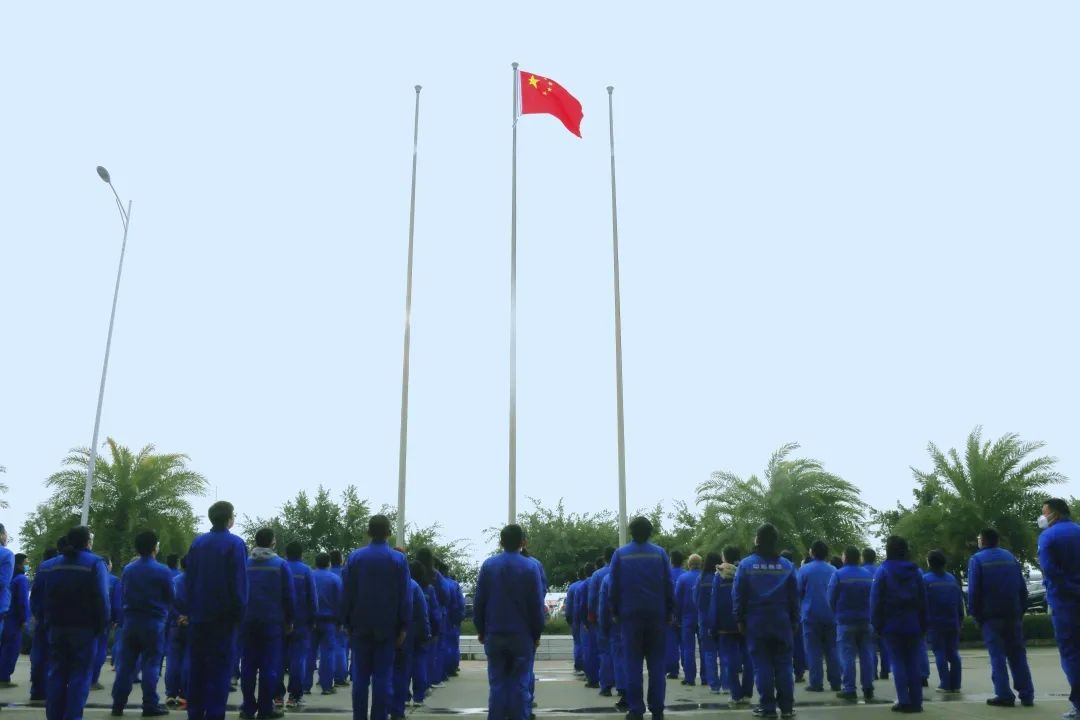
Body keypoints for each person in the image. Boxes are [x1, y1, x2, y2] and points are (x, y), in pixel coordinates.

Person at [341, 515, 411, 720]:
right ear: (389, 532)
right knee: (383, 678)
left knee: (360, 678)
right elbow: (405, 596)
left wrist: (345, 621)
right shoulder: (398, 560)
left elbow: (346, 593)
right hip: (388, 627)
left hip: (359, 626)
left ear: (368, 532)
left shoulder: (355, 557)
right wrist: (404, 626)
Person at [184, 500, 249, 720]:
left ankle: (194, 713)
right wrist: (240, 615)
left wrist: (188, 610)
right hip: (224, 619)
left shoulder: (198, 543)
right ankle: (214, 714)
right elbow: (239, 583)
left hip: (198, 616)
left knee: (197, 670)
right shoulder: (235, 544)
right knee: (219, 671)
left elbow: (189, 580)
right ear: (229, 519)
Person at [39, 526, 112, 720]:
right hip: (84, 629)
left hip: (57, 627)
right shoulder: (95, 563)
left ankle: (54, 715)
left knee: (56, 674)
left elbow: (47, 596)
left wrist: (48, 623)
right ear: (88, 542)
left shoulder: (54, 564)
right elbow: (102, 598)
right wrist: (102, 625)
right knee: (80, 675)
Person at [474, 524, 545, 720]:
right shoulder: (531, 567)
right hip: (522, 636)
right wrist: (537, 633)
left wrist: (481, 629)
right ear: (523, 542)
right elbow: (536, 604)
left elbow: (480, 601)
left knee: (497, 683)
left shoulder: (488, 565)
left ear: (500, 542)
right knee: (520, 684)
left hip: (494, 633)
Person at [609, 516, 674, 720]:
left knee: (632, 664)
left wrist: (615, 612)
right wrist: (670, 611)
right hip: (656, 615)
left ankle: (636, 710)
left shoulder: (620, 554)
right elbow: (669, 585)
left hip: (630, 616)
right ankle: (657, 709)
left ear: (631, 532)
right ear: (650, 532)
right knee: (657, 665)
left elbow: (613, 587)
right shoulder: (660, 554)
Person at [733, 523, 798, 720]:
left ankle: (767, 708)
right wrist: (795, 620)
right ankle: (787, 708)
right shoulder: (787, 566)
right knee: (784, 665)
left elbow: (738, 595)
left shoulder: (746, 565)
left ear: (757, 540)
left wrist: (739, 618)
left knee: (762, 665)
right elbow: (794, 597)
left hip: (756, 621)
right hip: (782, 621)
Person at [967, 527, 1034, 707]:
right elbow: (1022, 588)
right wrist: (1020, 611)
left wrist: (976, 616)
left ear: (983, 540)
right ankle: (1027, 694)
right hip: (1013, 614)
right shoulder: (1010, 557)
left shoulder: (977, 560)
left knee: (997, 656)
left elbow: (973, 592)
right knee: (1018, 655)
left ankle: (1004, 694)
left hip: (990, 617)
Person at [110, 530, 174, 717]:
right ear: (155, 547)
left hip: (131, 621)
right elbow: (171, 597)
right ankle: (149, 704)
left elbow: (124, 593)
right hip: (154, 622)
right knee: (151, 664)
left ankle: (118, 704)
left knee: (126, 665)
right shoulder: (163, 570)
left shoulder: (129, 569)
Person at [239, 528, 294, 720]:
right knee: (269, 667)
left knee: (248, 666)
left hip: (247, 622)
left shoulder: (245, 564)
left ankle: (247, 708)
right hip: (272, 623)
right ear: (273, 543)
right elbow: (289, 596)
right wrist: (289, 620)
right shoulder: (280, 565)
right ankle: (265, 709)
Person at [870, 535, 927, 714]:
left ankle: (903, 700)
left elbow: (875, 600)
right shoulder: (916, 571)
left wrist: (876, 624)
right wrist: (924, 623)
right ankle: (916, 701)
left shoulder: (883, 571)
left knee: (897, 662)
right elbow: (924, 599)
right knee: (913, 662)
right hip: (913, 622)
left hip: (891, 624)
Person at [1037, 498, 1080, 719]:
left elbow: (1050, 570)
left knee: (1071, 654)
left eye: (1044, 512)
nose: (1042, 517)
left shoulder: (1048, 536)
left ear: (1055, 513)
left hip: (1065, 603)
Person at [827, 546, 875, 702]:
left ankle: (849, 689)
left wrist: (836, 614)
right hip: (865, 620)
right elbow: (873, 597)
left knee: (847, 656)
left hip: (845, 621)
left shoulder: (838, 574)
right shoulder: (867, 575)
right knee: (866, 655)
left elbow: (831, 598)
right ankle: (868, 688)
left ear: (845, 557)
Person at [710, 546, 753, 708]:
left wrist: (713, 625)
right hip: (745, 622)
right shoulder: (745, 572)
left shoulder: (719, 576)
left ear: (724, 557)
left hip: (725, 624)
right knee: (748, 658)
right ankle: (747, 693)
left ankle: (735, 694)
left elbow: (714, 602)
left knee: (729, 660)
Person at [797, 540, 839, 693]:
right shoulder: (833, 569)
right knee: (832, 649)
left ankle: (816, 683)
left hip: (810, 615)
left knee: (813, 650)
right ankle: (836, 682)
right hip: (831, 615)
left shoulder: (805, 570)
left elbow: (798, 591)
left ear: (812, 552)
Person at [391, 562, 431, 720]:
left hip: (391, 630)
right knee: (415, 663)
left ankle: (403, 698)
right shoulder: (413, 585)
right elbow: (422, 612)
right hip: (412, 629)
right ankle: (418, 696)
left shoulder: (385, 582)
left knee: (395, 669)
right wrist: (426, 632)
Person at [923, 549, 963, 694]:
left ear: (929, 563)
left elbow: (922, 603)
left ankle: (945, 684)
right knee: (953, 652)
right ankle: (956, 684)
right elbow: (959, 602)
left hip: (934, 622)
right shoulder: (951, 579)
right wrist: (960, 620)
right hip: (952, 621)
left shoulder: (925, 580)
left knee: (940, 652)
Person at [283, 541, 317, 708]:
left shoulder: (280, 567)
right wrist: (313, 618)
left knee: (278, 659)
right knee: (298, 659)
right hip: (302, 621)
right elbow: (312, 597)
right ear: (301, 554)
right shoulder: (305, 570)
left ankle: (277, 696)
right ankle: (294, 696)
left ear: (286, 553)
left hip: (280, 621)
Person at [29, 544, 61, 706]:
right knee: (54, 656)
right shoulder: (61, 566)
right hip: (57, 619)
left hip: (42, 617)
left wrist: (35, 613)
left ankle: (36, 690)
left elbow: (34, 594)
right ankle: (50, 691)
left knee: (38, 655)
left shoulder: (42, 568)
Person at [310, 552, 343, 696]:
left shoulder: (310, 576)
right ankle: (327, 686)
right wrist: (340, 621)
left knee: (309, 653)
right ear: (329, 563)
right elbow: (339, 602)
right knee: (328, 653)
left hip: (312, 621)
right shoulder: (335, 579)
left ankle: (305, 685)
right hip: (329, 621)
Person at [588, 548, 615, 695]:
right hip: (621, 618)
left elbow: (592, 598)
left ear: (605, 558)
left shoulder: (597, 575)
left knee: (605, 652)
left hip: (602, 617)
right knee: (621, 652)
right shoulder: (624, 573)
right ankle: (622, 685)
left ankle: (606, 686)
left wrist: (591, 615)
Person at [695, 551, 723, 694]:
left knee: (709, 652)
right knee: (724, 652)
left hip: (705, 619)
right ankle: (726, 683)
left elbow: (696, 599)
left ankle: (714, 685)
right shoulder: (722, 577)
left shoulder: (701, 579)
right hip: (721, 619)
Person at [0, 552, 29, 687]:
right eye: (26, 563)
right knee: (11, 649)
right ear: (19, 564)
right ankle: (4, 678)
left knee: (3, 648)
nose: (27, 565)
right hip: (15, 619)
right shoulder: (22, 579)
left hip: (6, 616)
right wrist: (24, 619)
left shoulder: (10, 578)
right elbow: (23, 602)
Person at [90, 558, 119, 692]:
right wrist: (115, 619)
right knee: (101, 648)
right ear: (108, 565)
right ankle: (93, 679)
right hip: (105, 618)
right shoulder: (114, 580)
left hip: (87, 617)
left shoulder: (90, 575)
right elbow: (116, 602)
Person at [165, 556, 189, 707]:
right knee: (188, 659)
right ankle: (184, 694)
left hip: (175, 625)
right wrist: (190, 617)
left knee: (173, 660)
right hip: (192, 625)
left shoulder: (175, 581)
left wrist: (177, 616)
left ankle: (170, 693)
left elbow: (168, 602)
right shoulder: (199, 583)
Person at [673, 554, 701, 687]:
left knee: (688, 648)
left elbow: (677, 601)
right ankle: (706, 677)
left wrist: (676, 617)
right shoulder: (705, 577)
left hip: (687, 617)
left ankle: (690, 678)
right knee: (704, 648)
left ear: (689, 564)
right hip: (702, 616)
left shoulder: (683, 578)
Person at [862, 548, 889, 680]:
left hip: (866, 611)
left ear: (863, 558)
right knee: (884, 643)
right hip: (883, 612)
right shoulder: (881, 571)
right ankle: (885, 670)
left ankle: (873, 672)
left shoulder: (862, 572)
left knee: (870, 644)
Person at [780, 550, 806, 683]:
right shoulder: (797, 572)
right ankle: (799, 673)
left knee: (782, 647)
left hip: (782, 613)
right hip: (797, 613)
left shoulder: (781, 572)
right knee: (798, 646)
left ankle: (784, 674)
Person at [329, 550, 350, 689]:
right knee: (341, 646)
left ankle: (326, 676)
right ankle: (340, 677)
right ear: (341, 560)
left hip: (325, 615)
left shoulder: (326, 572)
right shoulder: (345, 574)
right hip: (341, 615)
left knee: (326, 648)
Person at [665, 551, 686, 680]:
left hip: (670, 613)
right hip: (685, 614)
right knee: (685, 643)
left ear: (671, 560)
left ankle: (673, 671)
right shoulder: (685, 574)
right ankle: (687, 669)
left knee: (671, 643)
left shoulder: (666, 575)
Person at [566, 569, 586, 675]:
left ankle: (579, 666)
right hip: (587, 617)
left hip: (575, 617)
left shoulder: (573, 587)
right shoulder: (590, 583)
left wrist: (568, 618)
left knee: (577, 642)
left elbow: (569, 604)